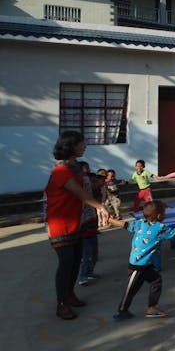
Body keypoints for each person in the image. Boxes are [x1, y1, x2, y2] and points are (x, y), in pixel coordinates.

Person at [44, 131, 109, 320]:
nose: (85, 146)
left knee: (74, 262)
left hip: (75, 221)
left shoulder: (76, 167)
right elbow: (80, 193)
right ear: (72, 146)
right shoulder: (61, 171)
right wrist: (100, 207)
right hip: (60, 224)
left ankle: (69, 294)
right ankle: (61, 303)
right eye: (82, 143)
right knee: (65, 264)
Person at [110, 200, 175, 320]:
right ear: (159, 216)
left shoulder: (140, 223)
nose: (165, 215)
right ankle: (122, 311)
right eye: (164, 213)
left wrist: (111, 220)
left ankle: (152, 308)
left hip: (147, 265)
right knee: (131, 289)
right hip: (137, 266)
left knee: (156, 281)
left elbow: (124, 225)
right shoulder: (160, 228)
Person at [78, 173, 105, 286]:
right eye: (92, 181)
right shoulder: (83, 197)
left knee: (94, 255)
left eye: (95, 181)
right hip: (84, 230)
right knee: (87, 255)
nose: (96, 183)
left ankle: (89, 272)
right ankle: (83, 276)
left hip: (92, 229)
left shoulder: (95, 194)